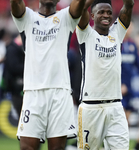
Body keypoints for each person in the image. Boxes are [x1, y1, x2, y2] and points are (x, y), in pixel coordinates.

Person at [10, 0, 87, 150]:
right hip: (33, 93)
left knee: (57, 148)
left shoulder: (66, 17)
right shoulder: (27, 17)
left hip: (60, 92)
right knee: (27, 148)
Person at [76, 0, 134, 149]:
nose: (106, 15)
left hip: (115, 106)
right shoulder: (85, 34)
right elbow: (80, 7)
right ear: (92, 15)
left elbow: (129, 5)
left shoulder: (117, 33)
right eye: (101, 12)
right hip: (91, 107)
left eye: (109, 12)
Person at [121, 22, 139, 121]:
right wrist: (119, 84)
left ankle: (125, 136)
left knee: (127, 115)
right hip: (118, 87)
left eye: (131, 27)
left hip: (129, 87)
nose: (130, 29)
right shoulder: (115, 44)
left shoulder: (132, 44)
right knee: (120, 116)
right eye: (129, 27)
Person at [3, 34, 25, 117]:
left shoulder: (14, 48)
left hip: (18, 87)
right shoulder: (12, 49)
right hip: (17, 88)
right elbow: (14, 67)